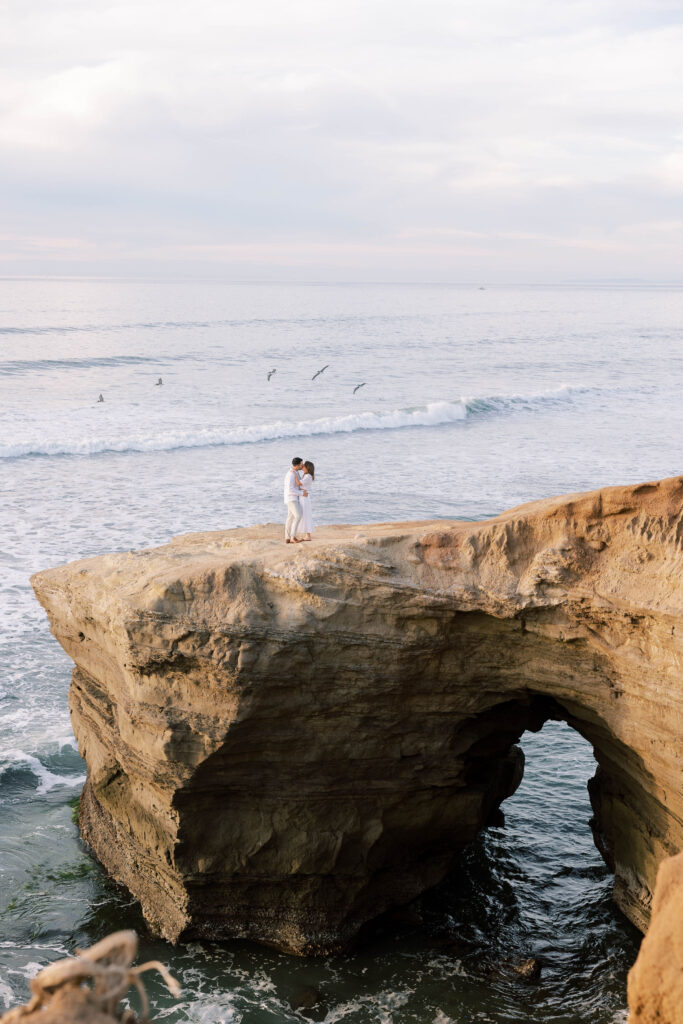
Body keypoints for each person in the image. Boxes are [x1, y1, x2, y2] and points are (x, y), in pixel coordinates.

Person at [284, 457, 304, 543]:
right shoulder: (291, 474)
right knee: (298, 515)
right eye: (301, 464)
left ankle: (287, 537)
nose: (302, 465)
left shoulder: (295, 473)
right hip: (291, 498)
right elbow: (290, 489)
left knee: (290, 518)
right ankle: (293, 536)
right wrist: (302, 493)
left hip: (293, 498)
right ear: (297, 465)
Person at [297, 461, 315, 541]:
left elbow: (298, 483)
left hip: (304, 498)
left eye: (303, 466)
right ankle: (307, 535)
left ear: (307, 467)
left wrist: (294, 473)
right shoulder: (306, 475)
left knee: (306, 515)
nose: (302, 467)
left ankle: (308, 535)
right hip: (302, 496)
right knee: (305, 515)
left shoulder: (308, 476)